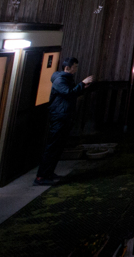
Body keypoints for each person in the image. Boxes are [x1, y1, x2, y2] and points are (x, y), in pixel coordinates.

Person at [35, 57, 93, 186]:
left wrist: (83, 87)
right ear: (68, 67)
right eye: (75, 67)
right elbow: (68, 93)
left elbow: (72, 93)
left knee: (58, 147)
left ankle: (48, 173)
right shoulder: (60, 80)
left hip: (64, 116)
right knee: (52, 147)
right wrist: (82, 84)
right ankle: (41, 176)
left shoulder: (66, 79)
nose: (76, 69)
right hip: (59, 116)